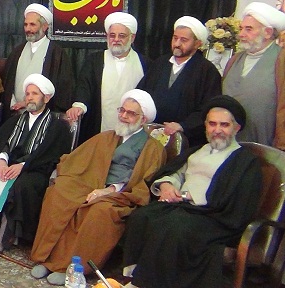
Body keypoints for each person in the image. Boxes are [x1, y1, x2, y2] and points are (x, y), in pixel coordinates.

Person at [122, 95, 262, 288]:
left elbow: (239, 202)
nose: (217, 130)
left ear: (236, 128)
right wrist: (167, 185)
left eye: (224, 125)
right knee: (142, 216)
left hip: (214, 216)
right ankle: (135, 277)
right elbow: (176, 173)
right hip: (181, 209)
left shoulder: (245, 161)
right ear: (205, 126)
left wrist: (186, 197)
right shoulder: (198, 151)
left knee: (174, 226)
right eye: (212, 124)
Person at [30, 89, 166, 286]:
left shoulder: (153, 148)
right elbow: (78, 159)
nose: (123, 116)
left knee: (99, 212)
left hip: (120, 195)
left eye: (130, 113)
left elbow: (143, 181)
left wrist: (109, 190)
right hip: (90, 183)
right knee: (58, 193)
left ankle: (72, 268)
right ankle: (46, 259)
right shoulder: (107, 136)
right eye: (122, 111)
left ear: (143, 119)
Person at [0, 74, 71, 254]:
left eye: (35, 94)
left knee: (21, 185)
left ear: (46, 98)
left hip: (35, 170)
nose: (30, 98)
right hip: (9, 165)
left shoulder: (57, 127)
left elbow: (51, 156)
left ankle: (3, 235)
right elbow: (1, 143)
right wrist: (2, 161)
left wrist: (23, 166)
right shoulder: (16, 120)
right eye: (27, 94)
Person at [66, 12, 147, 146]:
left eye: (122, 36)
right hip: (98, 127)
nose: (116, 39)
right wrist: (79, 106)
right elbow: (84, 86)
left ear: (132, 38)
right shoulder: (94, 60)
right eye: (112, 35)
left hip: (132, 129)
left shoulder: (144, 64)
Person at [137, 16, 222, 144]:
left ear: (197, 44)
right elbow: (142, 94)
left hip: (187, 139)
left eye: (184, 40)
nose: (177, 44)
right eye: (175, 38)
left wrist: (183, 126)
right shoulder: (160, 63)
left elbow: (209, 109)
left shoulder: (207, 71)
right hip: (152, 136)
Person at [223, 2, 285, 148]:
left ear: (268, 32)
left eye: (249, 29)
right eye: (241, 28)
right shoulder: (234, 59)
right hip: (229, 143)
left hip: (265, 145)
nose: (241, 34)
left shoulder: (281, 59)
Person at [1, 3, 73, 121]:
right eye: (26, 25)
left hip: (42, 116)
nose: (28, 29)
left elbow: (63, 93)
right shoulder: (16, 52)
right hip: (15, 113)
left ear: (44, 26)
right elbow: (7, 84)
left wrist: (29, 103)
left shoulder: (57, 54)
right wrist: (14, 103)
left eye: (32, 24)